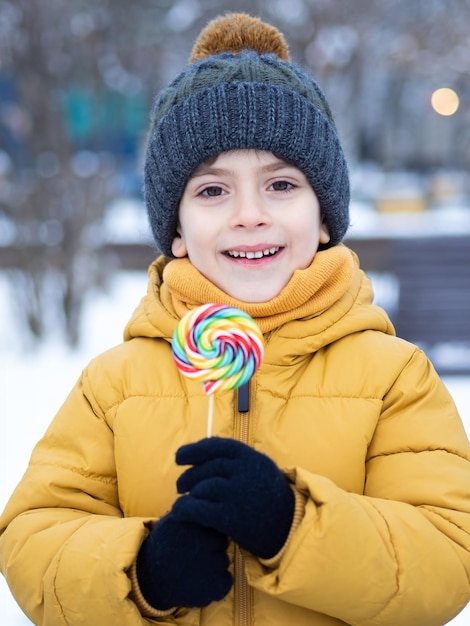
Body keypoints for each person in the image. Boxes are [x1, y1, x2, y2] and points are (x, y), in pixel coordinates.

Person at [1, 12, 470, 626]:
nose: (249, 214)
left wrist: (292, 524)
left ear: (325, 217)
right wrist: (142, 570)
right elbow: (33, 539)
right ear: (175, 231)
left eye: (280, 185)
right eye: (212, 191)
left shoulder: (393, 379)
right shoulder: (114, 386)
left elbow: (447, 557)